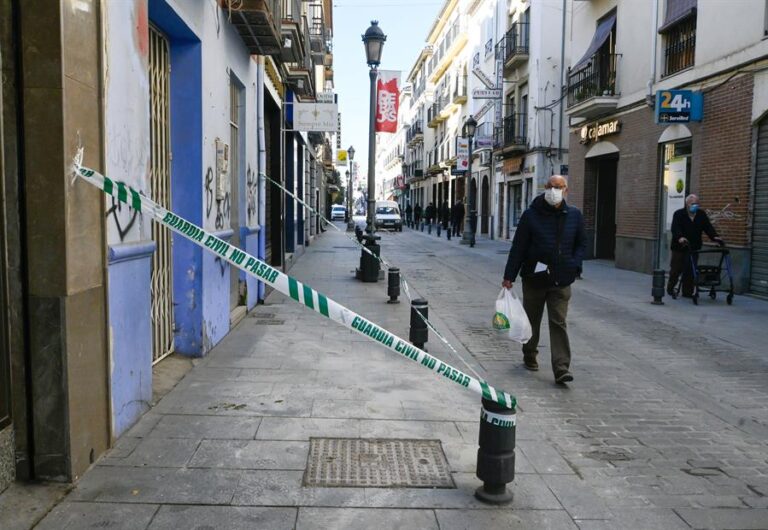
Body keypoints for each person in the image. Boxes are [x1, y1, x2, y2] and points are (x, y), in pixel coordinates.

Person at [502, 175, 586, 385]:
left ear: (565, 190)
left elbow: (581, 244)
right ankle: (529, 353)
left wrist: (574, 265)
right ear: (545, 188)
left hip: (561, 279)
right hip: (534, 278)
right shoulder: (531, 215)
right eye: (550, 186)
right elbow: (518, 247)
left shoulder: (574, 215)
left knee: (559, 322)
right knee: (532, 320)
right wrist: (509, 276)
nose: (553, 190)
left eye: (558, 187)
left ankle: (561, 368)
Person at [667, 194, 723, 298]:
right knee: (676, 269)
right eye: (693, 204)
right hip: (679, 247)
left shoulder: (701, 215)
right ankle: (670, 287)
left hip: (693, 247)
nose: (696, 206)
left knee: (690, 270)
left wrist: (715, 237)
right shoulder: (679, 214)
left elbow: (708, 227)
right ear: (687, 204)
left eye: (697, 204)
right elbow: (675, 228)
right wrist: (680, 237)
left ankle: (687, 292)